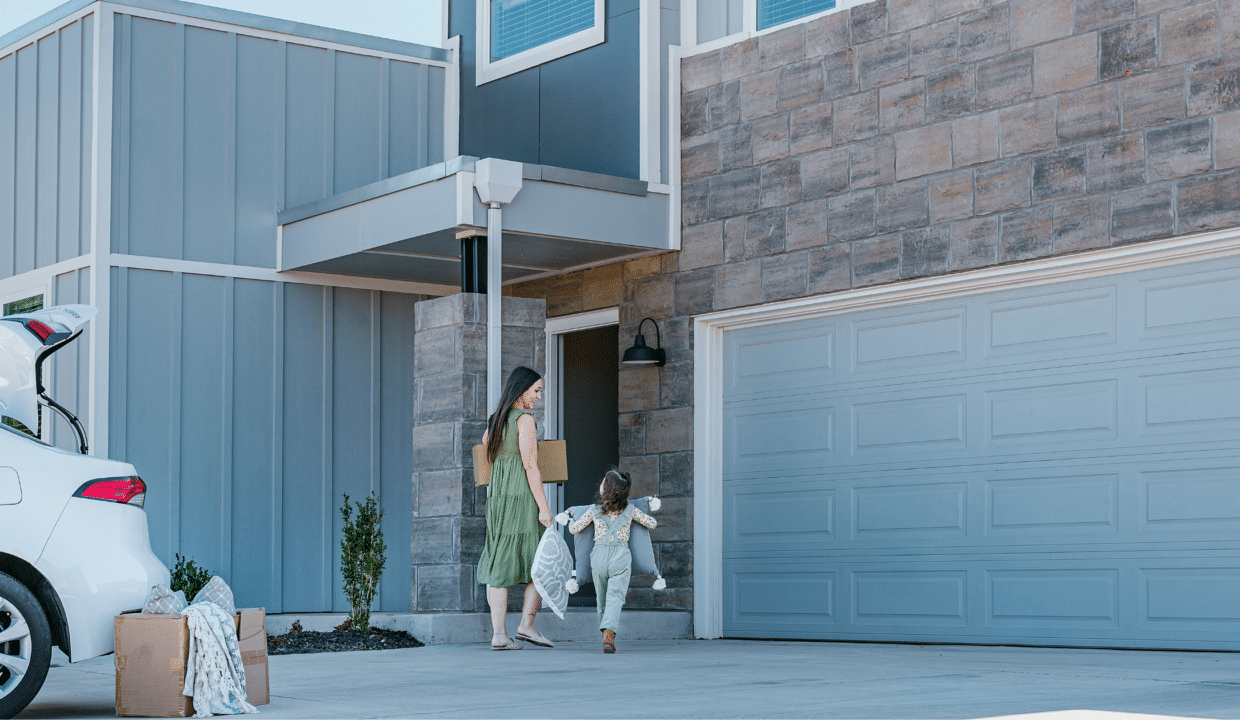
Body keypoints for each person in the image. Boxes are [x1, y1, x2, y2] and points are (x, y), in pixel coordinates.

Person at [476, 366, 554, 650]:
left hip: (498, 499)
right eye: (536, 390)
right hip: (520, 498)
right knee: (540, 562)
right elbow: (530, 464)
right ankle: (526, 625)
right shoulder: (525, 421)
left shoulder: (496, 421)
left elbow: (485, 446)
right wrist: (544, 508)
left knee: (499, 559)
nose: (539, 396)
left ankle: (499, 634)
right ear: (521, 391)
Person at [568, 469, 657, 653]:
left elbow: (574, 529)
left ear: (605, 490)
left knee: (601, 600)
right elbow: (652, 523)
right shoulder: (631, 511)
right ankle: (609, 631)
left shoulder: (594, 511)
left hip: (598, 557)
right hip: (620, 557)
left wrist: (569, 521)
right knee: (615, 597)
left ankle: (605, 634)